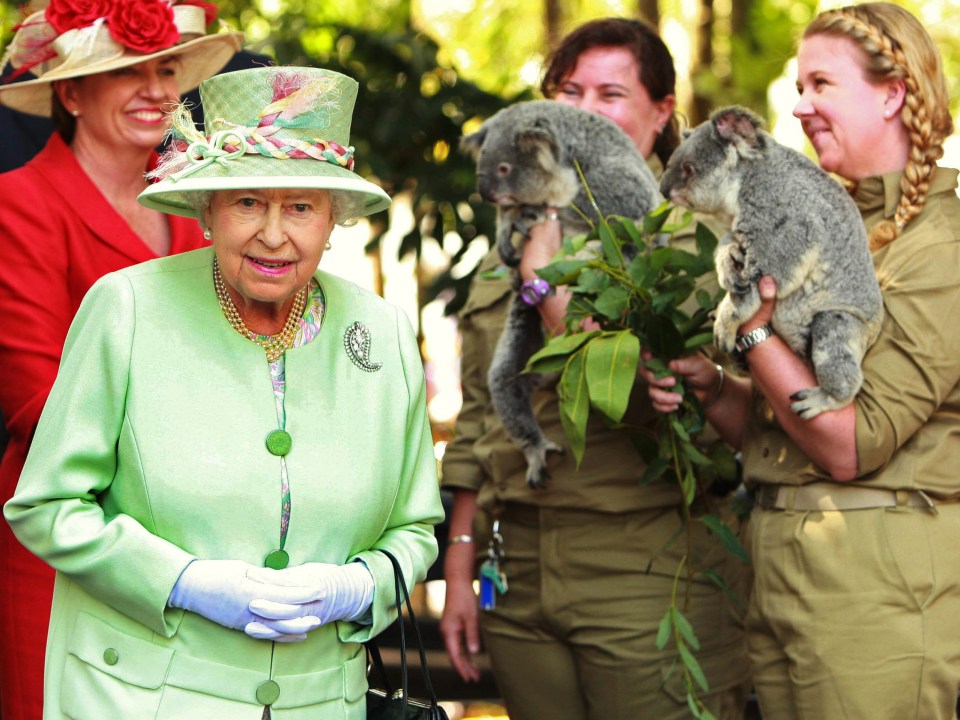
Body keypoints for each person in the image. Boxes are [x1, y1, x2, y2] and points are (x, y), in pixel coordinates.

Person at [3, 64, 444, 719]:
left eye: (300, 206)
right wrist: (184, 583)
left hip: (322, 702)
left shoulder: (380, 330)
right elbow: (46, 506)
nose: (273, 234)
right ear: (206, 211)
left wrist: (358, 587)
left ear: (334, 219)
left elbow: (415, 528)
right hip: (137, 700)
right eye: (247, 202)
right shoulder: (126, 307)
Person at [646, 4, 960, 718]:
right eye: (800, 84)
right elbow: (775, 432)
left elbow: (850, 443)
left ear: (893, 93)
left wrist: (755, 335)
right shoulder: (820, 218)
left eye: (822, 84)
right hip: (782, 564)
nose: (801, 104)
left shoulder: (942, 250)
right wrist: (717, 388)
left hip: (873, 588)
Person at [439, 17, 750, 720]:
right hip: (517, 565)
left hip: (647, 564)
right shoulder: (516, 234)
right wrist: (461, 563)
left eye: (609, 93)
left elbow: (657, 401)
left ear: (661, 112)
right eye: (566, 91)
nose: (580, 113)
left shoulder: (694, 239)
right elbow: (480, 415)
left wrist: (549, 292)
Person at [0, 3, 243, 718]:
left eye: (167, 70)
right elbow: (37, 402)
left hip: (197, 551)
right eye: (126, 72)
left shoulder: (197, 208)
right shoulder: (17, 204)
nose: (157, 90)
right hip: (66, 546)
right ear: (69, 93)